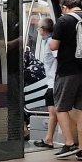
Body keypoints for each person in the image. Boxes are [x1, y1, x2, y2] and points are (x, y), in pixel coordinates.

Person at [49, 0, 82, 161]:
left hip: (68, 70)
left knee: (61, 107)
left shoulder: (64, 21)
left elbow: (54, 45)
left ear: (64, 7)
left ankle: (69, 143)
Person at [31, 17, 60, 149]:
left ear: (43, 30)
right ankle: (48, 139)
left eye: (38, 28)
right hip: (52, 81)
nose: (37, 30)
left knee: (57, 112)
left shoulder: (51, 44)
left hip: (54, 82)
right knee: (53, 112)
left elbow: (58, 60)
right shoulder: (47, 42)